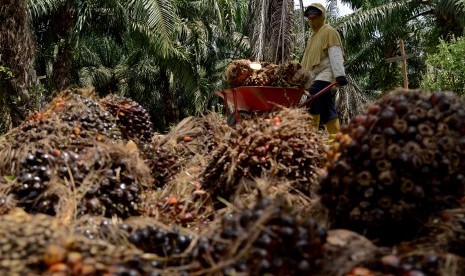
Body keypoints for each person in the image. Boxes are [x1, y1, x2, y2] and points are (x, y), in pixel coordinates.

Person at [300, 3, 348, 143]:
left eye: (315, 16)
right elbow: (307, 59)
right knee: (326, 106)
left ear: (322, 17)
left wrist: (340, 74)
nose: (312, 20)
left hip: (326, 73)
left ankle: (310, 137)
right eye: (309, 17)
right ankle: (336, 137)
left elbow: (335, 53)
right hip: (314, 75)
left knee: (312, 98)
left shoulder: (329, 31)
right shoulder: (313, 36)